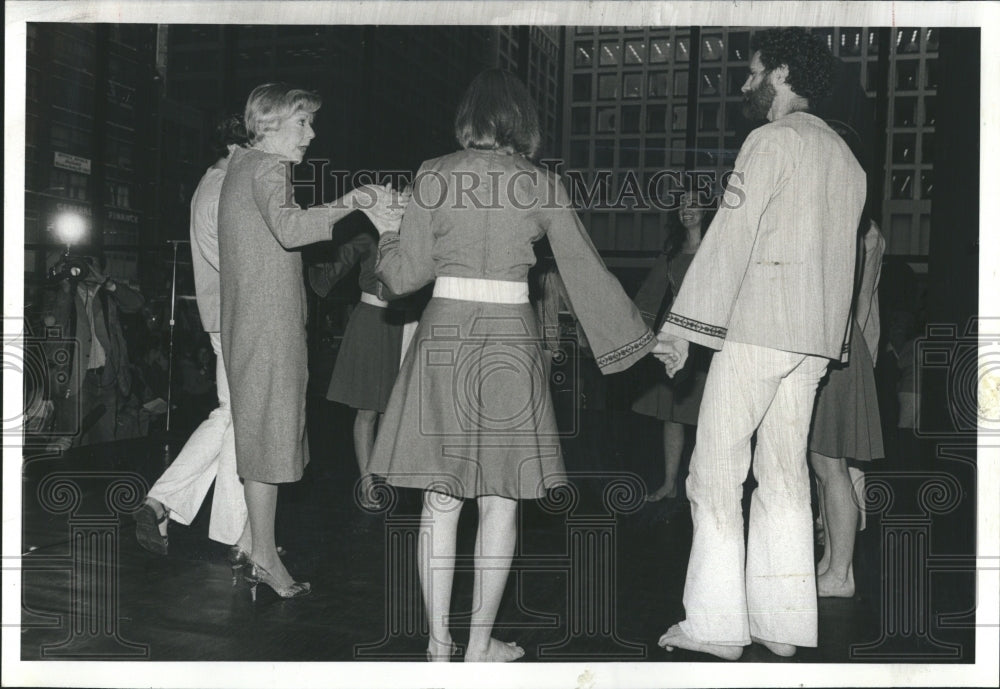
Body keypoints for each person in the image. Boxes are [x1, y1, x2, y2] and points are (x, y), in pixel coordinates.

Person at [367, 69, 655, 662]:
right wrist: (643, 343)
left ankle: (437, 645)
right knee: (502, 501)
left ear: (467, 119)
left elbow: (400, 278)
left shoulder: (434, 173)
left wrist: (389, 232)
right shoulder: (540, 183)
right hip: (509, 342)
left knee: (440, 498)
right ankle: (477, 650)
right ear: (524, 122)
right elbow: (585, 269)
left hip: (444, 335)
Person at [653, 29, 866, 659]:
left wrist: (681, 329)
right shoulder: (846, 159)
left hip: (759, 329)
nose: (745, 85)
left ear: (779, 75)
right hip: (814, 341)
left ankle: (715, 627)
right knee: (783, 477)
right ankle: (785, 624)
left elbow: (730, 239)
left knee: (714, 474)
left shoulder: (770, 140)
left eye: (752, 73)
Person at [218, 83, 397, 600]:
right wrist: (357, 199)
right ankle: (266, 558)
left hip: (249, 322)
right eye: (303, 122)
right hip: (269, 327)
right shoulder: (270, 168)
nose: (311, 134)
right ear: (269, 123)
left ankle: (254, 542)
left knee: (262, 433)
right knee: (271, 438)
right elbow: (291, 230)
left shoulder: (240, 168)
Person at [135, 115, 252, 562]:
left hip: (220, 314)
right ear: (241, 147)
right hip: (238, 314)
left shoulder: (209, 184)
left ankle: (163, 502)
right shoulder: (227, 189)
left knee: (230, 417)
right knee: (242, 422)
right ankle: (235, 535)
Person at [809, 219, 885, 598]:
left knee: (830, 463)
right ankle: (830, 563)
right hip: (836, 340)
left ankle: (841, 574)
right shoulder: (858, 232)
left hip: (837, 342)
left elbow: (862, 300)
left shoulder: (860, 234)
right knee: (823, 464)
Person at [308, 225, 406, 509]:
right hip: (373, 322)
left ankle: (384, 480)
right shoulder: (367, 235)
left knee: (394, 408)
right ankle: (366, 482)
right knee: (367, 410)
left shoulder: (420, 232)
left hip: (407, 324)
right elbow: (326, 273)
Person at [631, 191, 713, 504]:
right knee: (672, 414)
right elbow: (649, 298)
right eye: (681, 205)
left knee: (709, 415)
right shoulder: (672, 253)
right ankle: (669, 484)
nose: (686, 210)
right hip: (674, 333)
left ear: (707, 210)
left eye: (693, 204)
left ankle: (704, 488)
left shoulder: (718, 249)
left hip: (707, 336)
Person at [46, 254, 145, 448]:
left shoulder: (107, 295)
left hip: (107, 380)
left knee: (105, 443)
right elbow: (55, 324)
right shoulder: (66, 294)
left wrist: (107, 283)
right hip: (75, 383)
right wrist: (66, 286)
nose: (88, 271)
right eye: (84, 266)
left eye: (94, 267)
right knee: (70, 443)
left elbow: (137, 304)